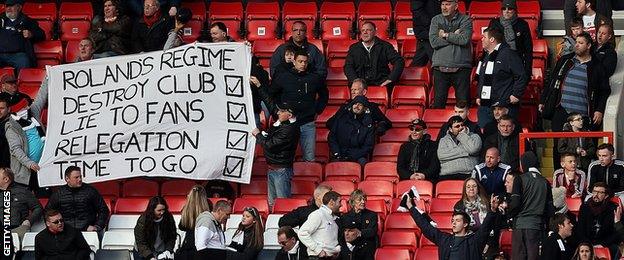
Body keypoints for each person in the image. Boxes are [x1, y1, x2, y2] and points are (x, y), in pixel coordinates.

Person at [539, 32, 610, 131]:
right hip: (561, 112)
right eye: (576, 42)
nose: (576, 45)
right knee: (559, 145)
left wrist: (599, 110)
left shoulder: (597, 66)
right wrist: (543, 100)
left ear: (588, 45)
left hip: (583, 116)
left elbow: (604, 91)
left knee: (582, 146)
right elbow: (552, 81)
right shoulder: (565, 60)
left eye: (580, 43)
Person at [406, 190, 501, 260]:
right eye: (453, 221)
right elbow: (424, 226)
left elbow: (486, 227)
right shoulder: (444, 239)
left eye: (458, 220)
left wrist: (492, 210)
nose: (454, 223)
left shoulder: (475, 240)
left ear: (465, 224)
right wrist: (411, 207)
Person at [269, 50, 328, 162]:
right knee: (284, 157)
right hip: (288, 123)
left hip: (307, 122)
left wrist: (317, 110)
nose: (303, 64)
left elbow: (324, 95)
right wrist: (278, 111)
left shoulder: (314, 78)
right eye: (300, 61)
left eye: (305, 62)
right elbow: (271, 94)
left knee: (309, 158)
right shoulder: (283, 77)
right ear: (294, 61)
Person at [252, 84, 300, 206]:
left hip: (281, 170)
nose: (278, 112)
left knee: (282, 204)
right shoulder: (283, 121)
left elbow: (270, 145)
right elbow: (271, 104)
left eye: (281, 111)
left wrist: (258, 135)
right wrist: (259, 86)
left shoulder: (289, 130)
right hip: (273, 168)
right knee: (272, 204)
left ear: (289, 115)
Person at [475, 26, 528, 126]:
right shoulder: (485, 56)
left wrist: (516, 94)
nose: (481, 39)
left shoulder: (508, 54)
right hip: (486, 106)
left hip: (505, 105)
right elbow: (482, 78)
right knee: (486, 136)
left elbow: (521, 75)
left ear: (492, 39)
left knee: (506, 134)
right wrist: (479, 95)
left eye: (484, 37)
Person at [508, 152, 555, 260]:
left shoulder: (519, 179)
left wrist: (508, 214)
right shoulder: (545, 182)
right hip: (537, 227)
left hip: (520, 227)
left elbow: (515, 203)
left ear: (523, 163)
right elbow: (550, 210)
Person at [429, 0, 473, 108]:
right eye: (442, 4)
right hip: (440, 68)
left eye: (448, 4)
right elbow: (433, 42)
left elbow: (464, 40)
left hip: (461, 68)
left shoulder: (466, 19)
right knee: (438, 105)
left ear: (456, 6)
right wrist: (454, 36)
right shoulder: (436, 20)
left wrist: (444, 35)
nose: (444, 7)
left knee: (463, 105)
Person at [45, 166, 110, 232]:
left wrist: (97, 226)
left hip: (88, 232)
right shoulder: (58, 193)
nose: (80, 179)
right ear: (67, 179)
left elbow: (103, 210)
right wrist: (55, 228)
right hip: (65, 233)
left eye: (80, 177)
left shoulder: (90, 191)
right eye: (76, 177)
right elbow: (48, 212)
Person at [344, 21, 404, 91]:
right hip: (360, 86)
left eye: (368, 30)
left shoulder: (385, 46)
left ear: (375, 32)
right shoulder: (354, 48)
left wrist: (390, 79)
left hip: (382, 85)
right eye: (363, 30)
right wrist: (356, 81)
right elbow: (348, 67)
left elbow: (399, 61)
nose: (365, 32)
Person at [327, 79, 392, 136]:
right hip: (346, 142)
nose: (352, 92)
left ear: (364, 92)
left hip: (364, 143)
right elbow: (330, 123)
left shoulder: (372, 107)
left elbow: (386, 122)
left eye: (355, 89)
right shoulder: (345, 106)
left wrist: (379, 128)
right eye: (352, 89)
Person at [0, 97, 39, 187]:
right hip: (8, 173)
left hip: (12, 172)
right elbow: (15, 149)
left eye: (1, 108)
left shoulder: (11, 124)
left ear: (9, 109)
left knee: (10, 197)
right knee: (7, 198)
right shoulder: (10, 125)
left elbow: (15, 148)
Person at [488, 0, 533, 75]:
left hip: (517, 62)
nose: (506, 11)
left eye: (510, 9)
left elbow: (528, 50)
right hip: (498, 62)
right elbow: (488, 46)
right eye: (504, 9)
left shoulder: (522, 24)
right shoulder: (494, 23)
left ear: (515, 10)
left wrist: (528, 72)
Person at [328, 95, 376, 165]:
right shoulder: (341, 119)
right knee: (333, 166)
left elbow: (368, 146)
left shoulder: (368, 124)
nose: (357, 106)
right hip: (340, 154)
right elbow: (332, 137)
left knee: (362, 162)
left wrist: (354, 155)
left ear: (365, 109)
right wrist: (336, 153)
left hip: (357, 156)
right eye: (355, 104)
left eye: (360, 105)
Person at [0, 0, 45, 74]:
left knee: (24, 62)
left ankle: (21, 85)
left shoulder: (27, 21)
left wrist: (31, 34)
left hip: (18, 55)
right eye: (7, 6)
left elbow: (42, 35)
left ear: (19, 7)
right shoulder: (1, 19)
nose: (8, 8)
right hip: (1, 53)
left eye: (12, 6)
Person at [0, 167, 42, 241]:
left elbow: (38, 208)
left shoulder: (23, 191)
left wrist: (29, 221)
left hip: (19, 230)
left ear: (6, 179)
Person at [577, 182, 618, 255]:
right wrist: (587, 244)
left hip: (605, 242)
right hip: (587, 242)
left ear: (606, 195)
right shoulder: (585, 207)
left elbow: (615, 232)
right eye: (594, 191)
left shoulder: (613, 208)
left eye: (600, 192)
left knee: (615, 249)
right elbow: (580, 229)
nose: (596, 195)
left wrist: (602, 244)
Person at [298, 191, 342, 258]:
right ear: (331, 202)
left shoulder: (334, 217)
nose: (341, 205)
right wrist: (318, 250)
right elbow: (302, 233)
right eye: (339, 202)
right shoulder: (318, 214)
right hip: (318, 257)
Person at [438, 115, 482, 180]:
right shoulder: (444, 140)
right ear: (450, 129)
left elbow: (473, 150)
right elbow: (441, 155)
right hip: (448, 174)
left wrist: (462, 136)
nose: (461, 128)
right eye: (457, 126)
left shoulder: (474, 136)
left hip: (469, 173)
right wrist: (466, 152)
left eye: (462, 125)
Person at [338, 190, 378, 260]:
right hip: (350, 248)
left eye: (364, 199)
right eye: (359, 200)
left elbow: (372, 231)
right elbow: (342, 234)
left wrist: (359, 233)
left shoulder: (372, 215)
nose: (363, 202)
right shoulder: (345, 217)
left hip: (366, 248)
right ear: (353, 202)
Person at [175, 185, 212, 260]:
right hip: (203, 246)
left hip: (188, 246)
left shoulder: (186, 208)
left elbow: (182, 226)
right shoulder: (208, 206)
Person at [134, 196, 176, 260]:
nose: (162, 213)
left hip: (161, 251)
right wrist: (150, 257)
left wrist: (168, 250)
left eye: (163, 210)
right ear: (152, 210)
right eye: (159, 210)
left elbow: (172, 236)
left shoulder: (168, 217)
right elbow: (141, 242)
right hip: (143, 252)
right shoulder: (143, 220)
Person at [409, 0, 441, 66]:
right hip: (427, 30)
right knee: (438, 63)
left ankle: (409, 75)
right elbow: (416, 8)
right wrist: (431, 24)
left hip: (430, 31)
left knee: (419, 61)